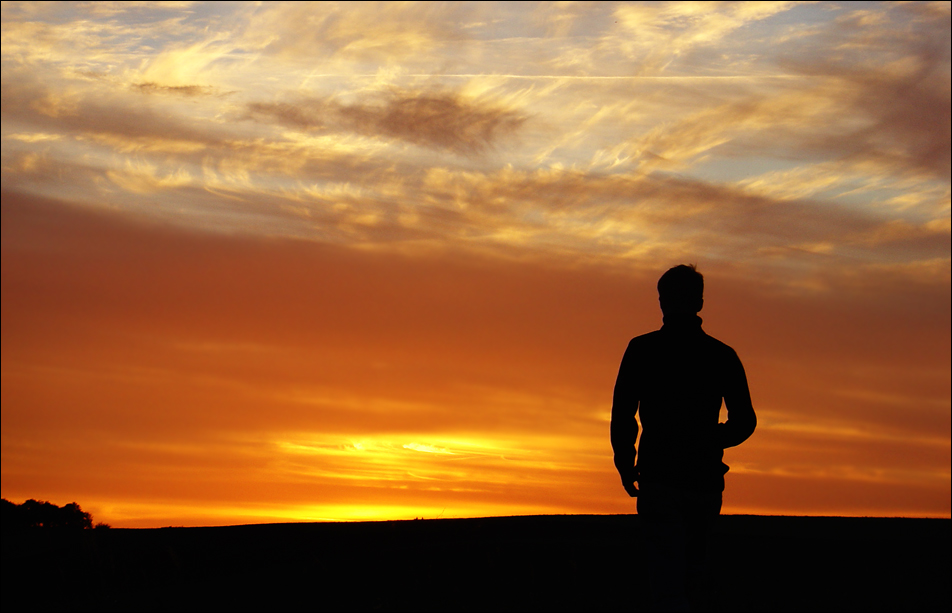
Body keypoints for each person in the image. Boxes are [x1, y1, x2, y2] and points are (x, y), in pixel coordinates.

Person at [610, 264, 756, 611]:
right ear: (700, 302)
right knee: (692, 577)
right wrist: (710, 440)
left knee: (666, 580)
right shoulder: (722, 355)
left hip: (660, 475)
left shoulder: (642, 349)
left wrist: (625, 461)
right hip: (702, 479)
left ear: (663, 301)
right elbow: (744, 421)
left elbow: (623, 414)